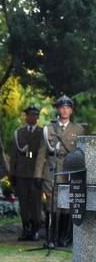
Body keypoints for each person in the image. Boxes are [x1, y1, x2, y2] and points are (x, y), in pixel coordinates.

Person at [34, 95, 85, 247]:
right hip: (51, 169)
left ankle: (63, 237)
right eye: (62, 107)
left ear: (71, 110)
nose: (64, 110)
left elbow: (82, 154)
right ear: (57, 109)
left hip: (69, 171)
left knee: (66, 206)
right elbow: (41, 153)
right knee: (51, 204)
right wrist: (38, 174)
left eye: (68, 107)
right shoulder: (49, 129)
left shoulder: (79, 129)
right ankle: (50, 238)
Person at [8, 105, 43, 241]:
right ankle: (26, 228)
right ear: (26, 116)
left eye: (34, 115)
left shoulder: (42, 133)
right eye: (29, 115)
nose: (31, 117)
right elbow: (13, 154)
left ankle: (35, 229)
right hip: (21, 173)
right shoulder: (19, 133)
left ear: (38, 117)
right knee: (23, 203)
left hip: (35, 174)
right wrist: (12, 174)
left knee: (35, 203)